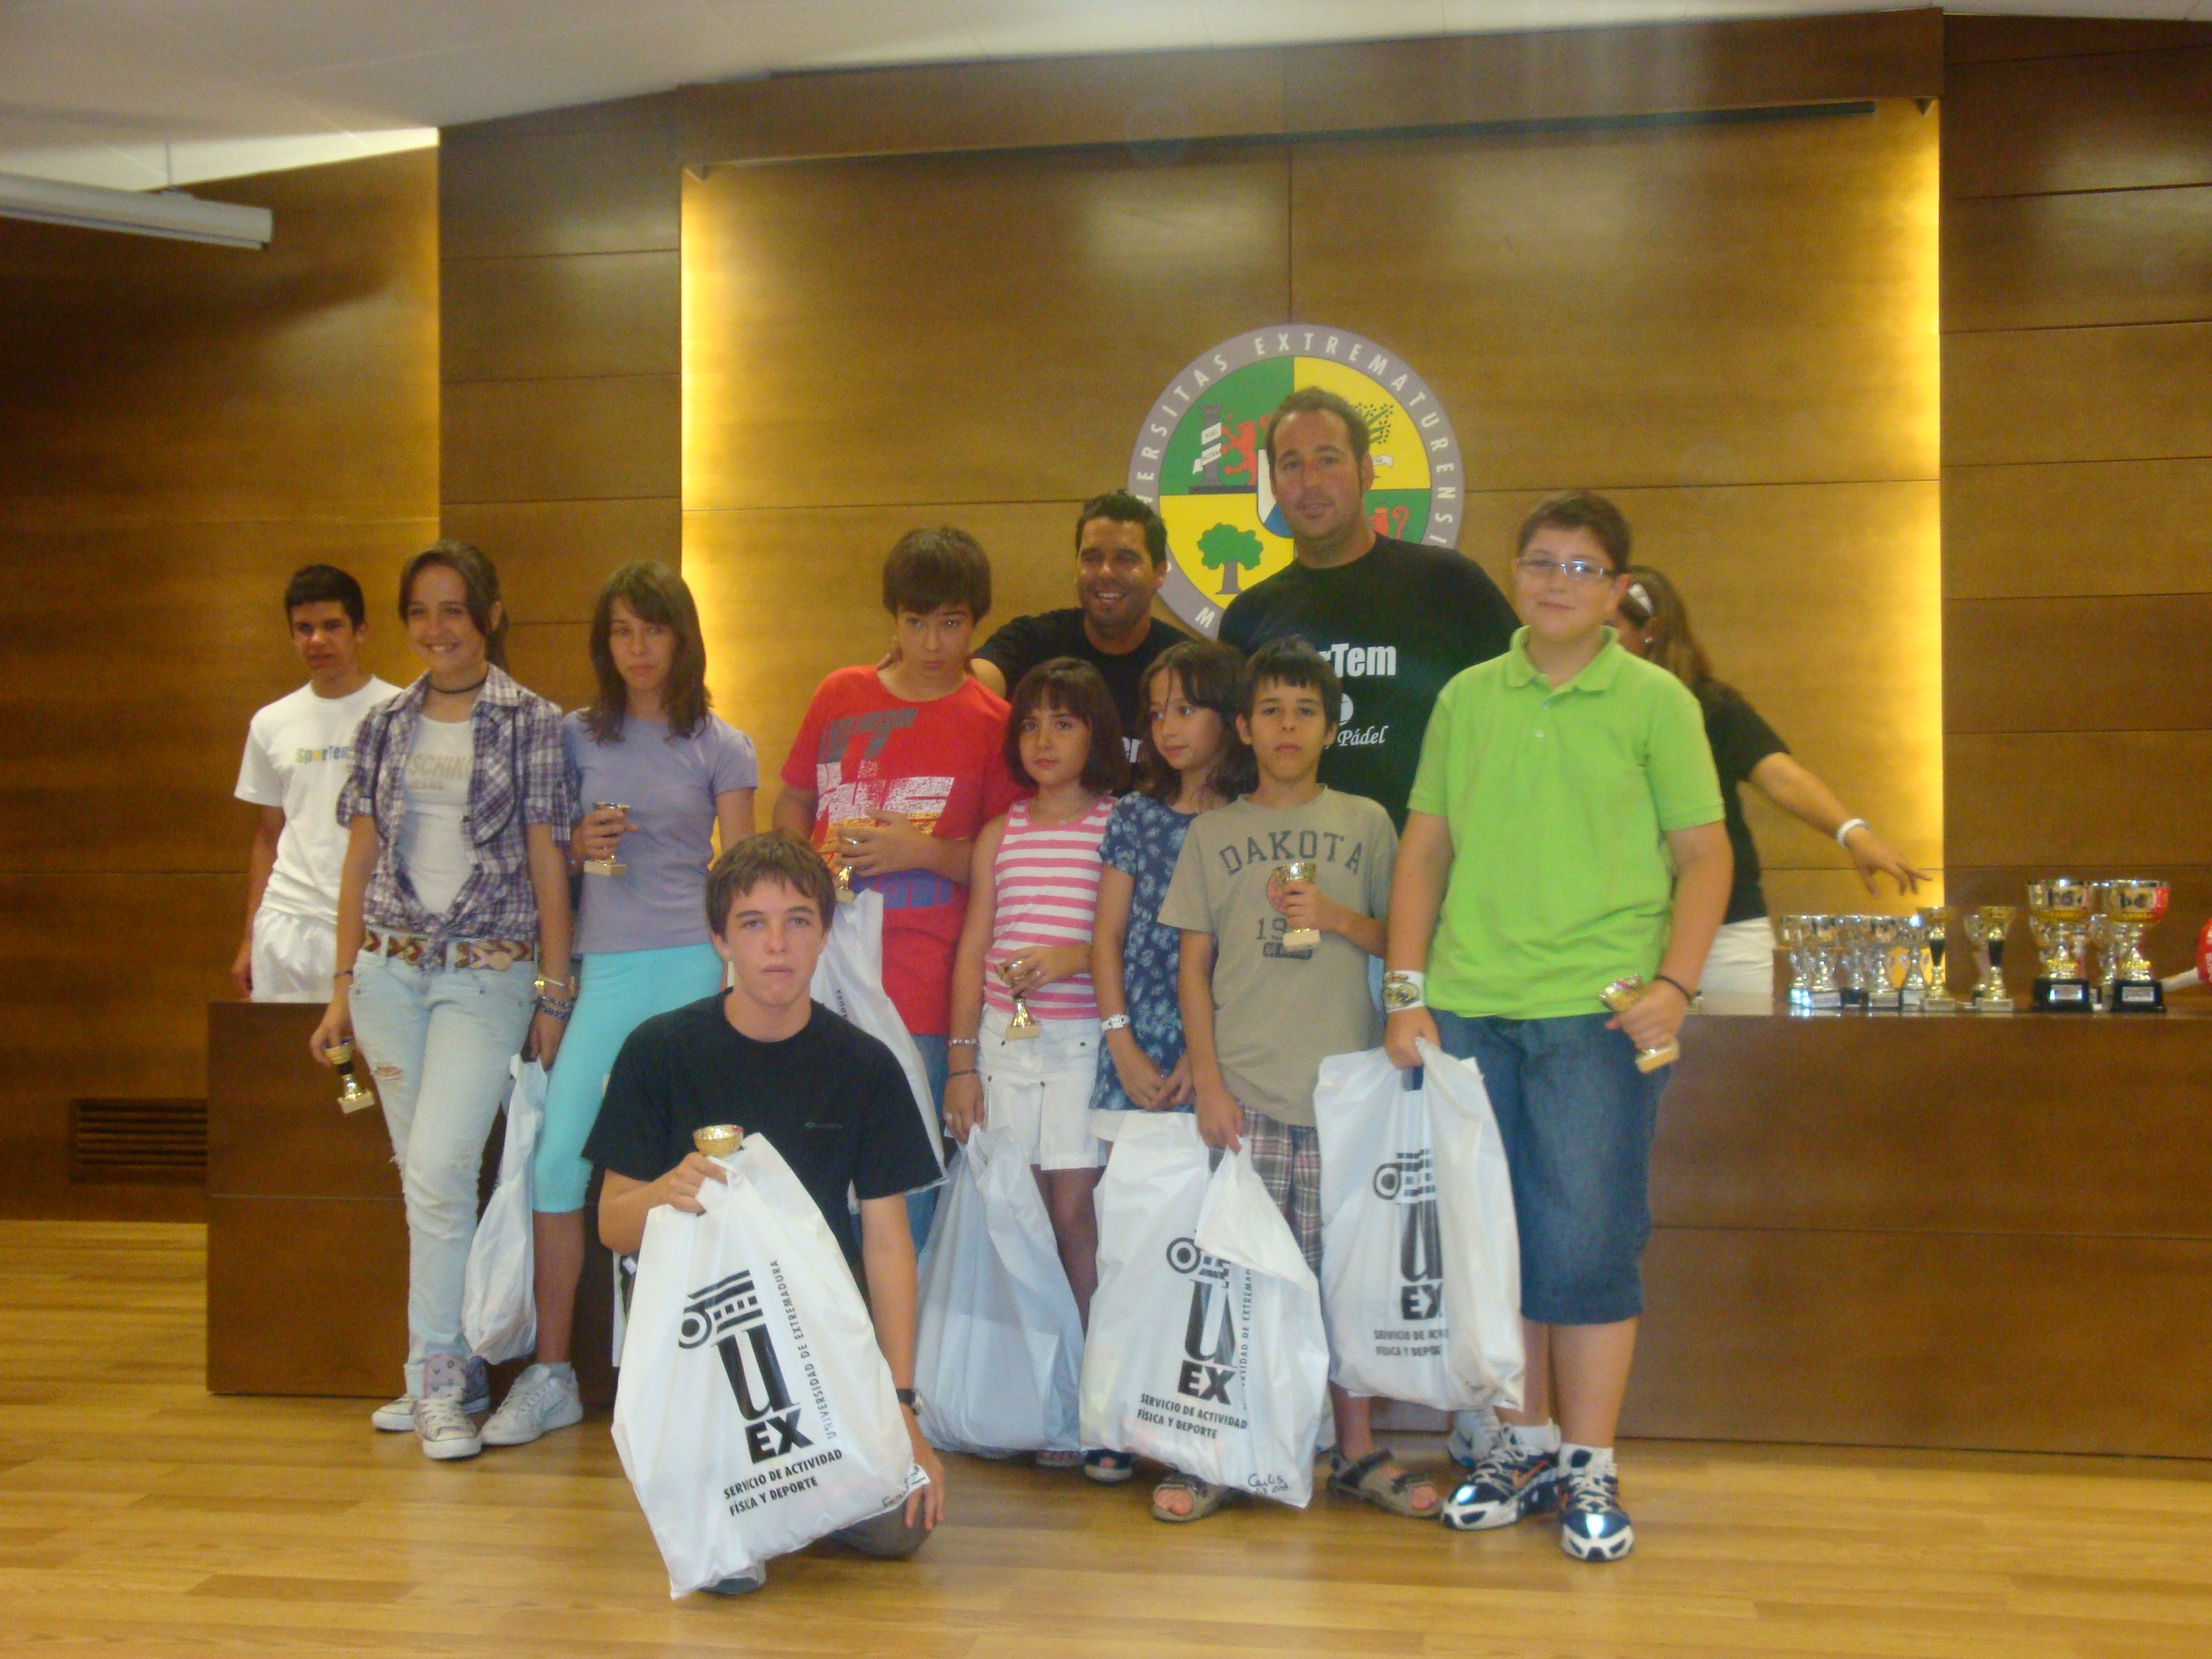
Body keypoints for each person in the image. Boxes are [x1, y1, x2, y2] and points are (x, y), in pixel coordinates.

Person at [1383, 492, 1731, 1563]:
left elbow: (1704, 855)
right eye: (1541, 562)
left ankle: (1590, 1465)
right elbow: (1425, 850)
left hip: (1597, 1014)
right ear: (1516, 572)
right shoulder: (1468, 697)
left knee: (1585, 1243)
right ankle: (1521, 1447)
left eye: (1583, 568)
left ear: (1617, 588)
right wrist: (1406, 992)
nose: (1558, 583)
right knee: (1494, 1245)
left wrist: (1677, 984)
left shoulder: (1656, 701)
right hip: (1471, 1005)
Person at [587, 831, 948, 1596]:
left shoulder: (866, 1065)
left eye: (797, 921)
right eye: (752, 924)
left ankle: (793, 1496)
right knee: (727, 1549)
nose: (777, 945)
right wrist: (668, 1190)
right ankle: (757, 1492)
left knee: (901, 1527)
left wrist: (900, 1409)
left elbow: (888, 1245)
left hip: (820, 1335)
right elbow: (613, 1224)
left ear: (825, 934)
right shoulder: (658, 1050)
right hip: (704, 1340)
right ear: (721, 939)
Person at [477, 562, 758, 1450]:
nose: (638, 649)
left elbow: (742, 874)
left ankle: (690, 1379)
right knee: (558, 1163)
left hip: (693, 968)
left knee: (693, 1169)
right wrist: (576, 846)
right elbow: (544, 863)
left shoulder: (722, 744)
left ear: (683, 638)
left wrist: (738, 987)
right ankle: (552, 1372)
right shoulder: (571, 738)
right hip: (602, 971)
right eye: (622, 632)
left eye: (654, 629)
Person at [309, 540, 577, 1461]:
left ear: (490, 616)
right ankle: (444, 1370)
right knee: (425, 1180)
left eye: (454, 609)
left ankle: (435, 1377)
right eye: (420, 612)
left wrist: (553, 991)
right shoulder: (384, 722)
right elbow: (360, 858)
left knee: (439, 1167)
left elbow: (549, 861)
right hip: (387, 973)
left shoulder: (532, 722)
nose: (437, 629)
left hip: (486, 974)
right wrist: (340, 987)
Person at [1157, 640, 1431, 1525]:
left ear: (1331, 727)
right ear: (1243, 727)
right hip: (1246, 1091)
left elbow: (1406, 940)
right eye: (1270, 711)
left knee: (1349, 1284)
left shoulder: (1367, 822)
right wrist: (1208, 1083)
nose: (1287, 726)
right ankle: (1224, 1453)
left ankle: (1354, 1453)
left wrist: (1339, 917)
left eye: (1305, 711)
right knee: (1235, 1280)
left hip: (1349, 1095)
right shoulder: (1213, 833)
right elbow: (1192, 968)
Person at [773, 527, 1022, 1244]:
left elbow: (1005, 861)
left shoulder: (994, 724)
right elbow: (792, 800)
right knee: (810, 1185)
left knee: (903, 1195)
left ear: (976, 623)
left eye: (951, 623)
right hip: (817, 974)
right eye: (916, 623)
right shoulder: (840, 694)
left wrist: (925, 852)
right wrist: (802, 875)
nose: (933, 643)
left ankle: (900, 1324)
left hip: (922, 983)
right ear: (894, 619)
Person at [943, 658, 1125, 1471]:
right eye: (1031, 725)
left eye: (1064, 723)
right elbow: (973, 945)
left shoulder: (1118, 823)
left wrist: (1070, 958)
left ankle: (1090, 1398)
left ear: (1096, 734)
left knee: (1074, 1212)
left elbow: (1130, 942)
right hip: (1003, 1044)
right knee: (1015, 1215)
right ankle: (1031, 1397)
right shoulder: (1001, 831)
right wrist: (960, 1064)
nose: (1044, 740)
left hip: (1082, 1040)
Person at [1084, 639, 1251, 1487]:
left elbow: (1252, 952)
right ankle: (1113, 1421)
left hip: (1224, 1059)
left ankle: (1200, 1426)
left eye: (1186, 708)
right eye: (1157, 712)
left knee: (1208, 1255)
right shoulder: (1136, 815)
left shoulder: (1251, 817)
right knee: (1129, 1252)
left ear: (1229, 715)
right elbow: (1106, 939)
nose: (1168, 727)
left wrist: (1201, 1050)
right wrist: (1120, 1039)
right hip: (1136, 1058)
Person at [1610, 566, 1929, 1010]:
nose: (1596, 641)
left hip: (1726, 930)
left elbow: (1781, 776)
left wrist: (1853, 834)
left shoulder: (1708, 706)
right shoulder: (1584, 713)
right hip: (1620, 932)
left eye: (1610, 629)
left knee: (1740, 1049)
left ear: (1652, 632)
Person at [1218, 387, 1518, 826]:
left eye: (1328, 460)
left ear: (1365, 471)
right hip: (1289, 861)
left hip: (1435, 857)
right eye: (1291, 465)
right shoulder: (1247, 618)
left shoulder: (1451, 584)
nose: (1310, 481)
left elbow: (1523, 710)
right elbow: (1230, 768)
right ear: (1273, 483)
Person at [231, 565, 400, 1001]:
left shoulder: (398, 713)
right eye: (304, 629)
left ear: (361, 630)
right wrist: (250, 938)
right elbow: (267, 835)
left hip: (372, 925)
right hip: (285, 924)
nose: (317, 640)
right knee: (282, 1047)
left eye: (332, 626)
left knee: (360, 1048)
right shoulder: (271, 722)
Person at [970, 491, 1189, 757]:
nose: (1106, 572)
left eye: (1125, 559)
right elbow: (968, 689)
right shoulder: (1032, 641)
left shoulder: (1185, 664)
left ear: (1159, 572)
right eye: (1092, 558)